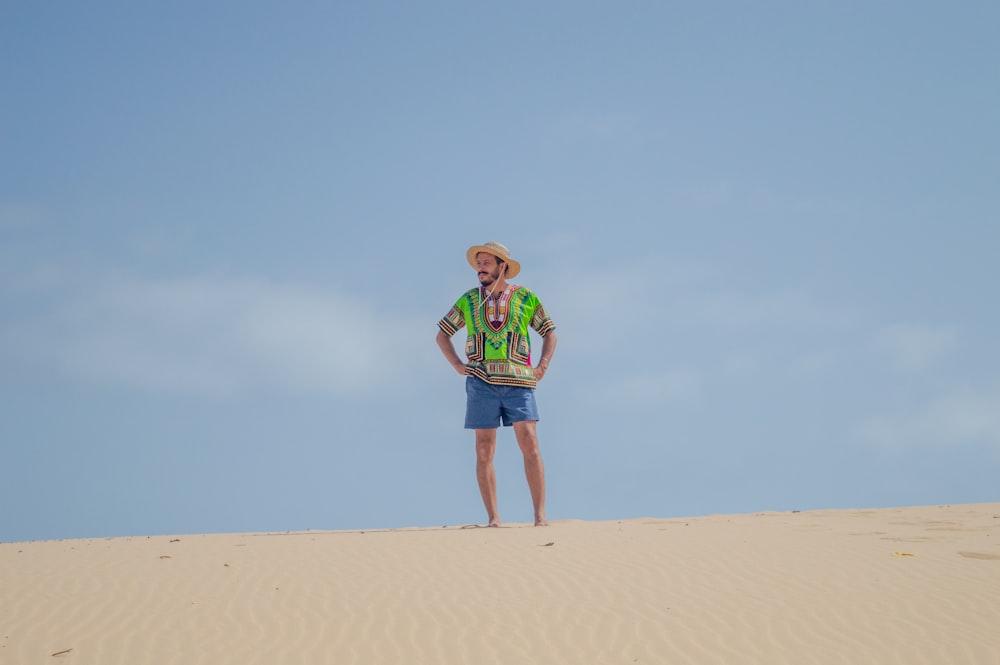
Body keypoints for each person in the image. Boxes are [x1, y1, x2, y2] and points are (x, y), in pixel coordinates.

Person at [436, 241, 558, 527]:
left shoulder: (525, 298)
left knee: (530, 442)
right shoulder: (469, 300)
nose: (480, 267)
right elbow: (442, 334)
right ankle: (494, 518)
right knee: (483, 449)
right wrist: (457, 365)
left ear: (502, 266)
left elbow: (549, 332)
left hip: (519, 382)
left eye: (486, 262)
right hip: (480, 383)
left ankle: (540, 516)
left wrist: (542, 366)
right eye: (478, 263)